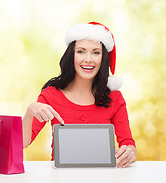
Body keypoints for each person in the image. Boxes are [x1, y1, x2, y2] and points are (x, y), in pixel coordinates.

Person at [22, 22, 137, 168]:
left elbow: (128, 143)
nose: (88, 59)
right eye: (81, 51)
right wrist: (30, 111)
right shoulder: (51, 95)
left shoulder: (115, 98)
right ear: (71, 55)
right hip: (61, 178)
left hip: (103, 177)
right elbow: (23, 143)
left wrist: (130, 152)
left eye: (96, 52)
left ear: (103, 58)